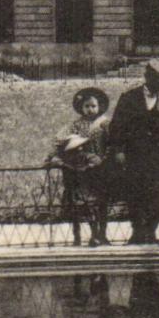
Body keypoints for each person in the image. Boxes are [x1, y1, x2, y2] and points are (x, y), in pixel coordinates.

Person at [107, 59, 159, 244]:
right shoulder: (129, 98)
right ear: (147, 77)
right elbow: (116, 127)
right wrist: (118, 150)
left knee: (156, 195)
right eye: (156, 79)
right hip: (135, 156)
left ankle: (151, 232)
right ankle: (137, 232)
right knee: (135, 194)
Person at [48, 87, 112, 246]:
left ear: (100, 106)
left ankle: (100, 234)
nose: (90, 110)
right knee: (78, 201)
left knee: (100, 202)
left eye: (93, 106)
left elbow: (113, 142)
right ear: (81, 107)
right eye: (86, 106)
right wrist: (58, 155)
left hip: (100, 167)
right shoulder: (76, 124)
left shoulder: (105, 123)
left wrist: (105, 158)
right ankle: (77, 236)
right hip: (80, 168)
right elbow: (60, 140)